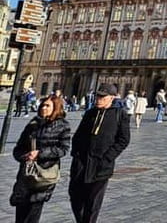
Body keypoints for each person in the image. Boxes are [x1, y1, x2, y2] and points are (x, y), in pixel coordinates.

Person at [69, 83, 131, 222]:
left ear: (112, 98)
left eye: (103, 97)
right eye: (98, 96)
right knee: (75, 197)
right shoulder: (90, 113)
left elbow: (123, 140)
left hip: (101, 164)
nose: (99, 99)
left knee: (93, 202)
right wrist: (76, 154)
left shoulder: (119, 115)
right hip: (82, 162)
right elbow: (78, 135)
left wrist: (108, 157)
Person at [10, 95, 71, 223]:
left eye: (47, 106)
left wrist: (40, 153)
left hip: (43, 175)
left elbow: (64, 149)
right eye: (42, 105)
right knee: (20, 212)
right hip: (25, 174)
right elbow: (18, 148)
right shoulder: (33, 124)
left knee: (33, 212)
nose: (43, 108)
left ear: (56, 108)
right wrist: (24, 156)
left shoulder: (63, 126)